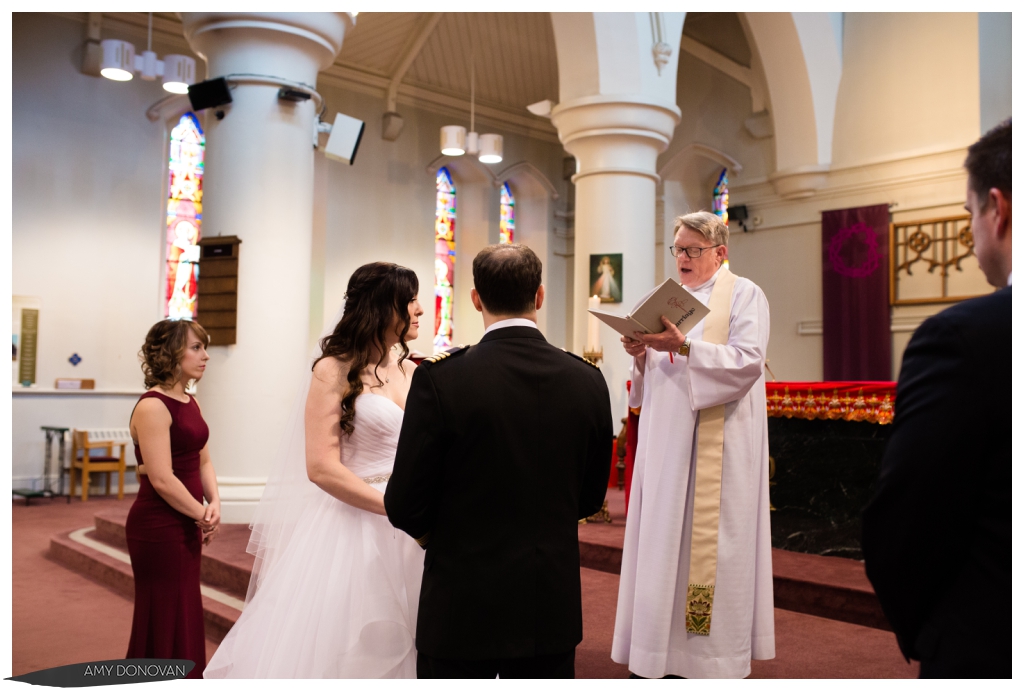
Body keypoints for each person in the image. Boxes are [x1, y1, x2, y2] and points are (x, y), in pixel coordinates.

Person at [385, 243, 613, 679]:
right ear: (540, 296)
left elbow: (404, 504)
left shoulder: (440, 378)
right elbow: (589, 497)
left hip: (461, 602)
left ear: (475, 299)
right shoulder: (587, 380)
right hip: (547, 606)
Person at [204, 262, 427, 678]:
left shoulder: (414, 371)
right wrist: (394, 507)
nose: (419, 309)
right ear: (382, 307)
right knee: (354, 648)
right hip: (357, 524)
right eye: (409, 300)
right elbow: (321, 467)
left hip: (412, 527)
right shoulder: (333, 370)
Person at [862, 119, 1011, 678]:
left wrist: (932, 631)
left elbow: (906, 520)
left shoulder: (965, 338)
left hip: (992, 642)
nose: (971, 233)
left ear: (997, 209)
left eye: (969, 213)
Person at [612, 211, 774, 678]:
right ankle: (653, 652)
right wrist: (640, 354)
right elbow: (650, 378)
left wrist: (682, 347)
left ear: (720, 253)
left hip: (715, 450)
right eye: (678, 248)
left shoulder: (744, 294)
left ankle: (708, 658)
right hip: (666, 445)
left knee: (709, 546)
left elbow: (747, 362)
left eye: (691, 250)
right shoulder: (667, 299)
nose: (682, 257)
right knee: (660, 540)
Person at [126, 319, 221, 678]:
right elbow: (163, 479)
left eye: (204, 347)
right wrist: (202, 513)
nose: (206, 356)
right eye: (196, 348)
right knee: (163, 614)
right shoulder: (152, 406)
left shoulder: (189, 401)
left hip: (186, 518)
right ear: (170, 353)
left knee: (184, 609)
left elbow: (204, 459)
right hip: (158, 525)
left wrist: (214, 503)